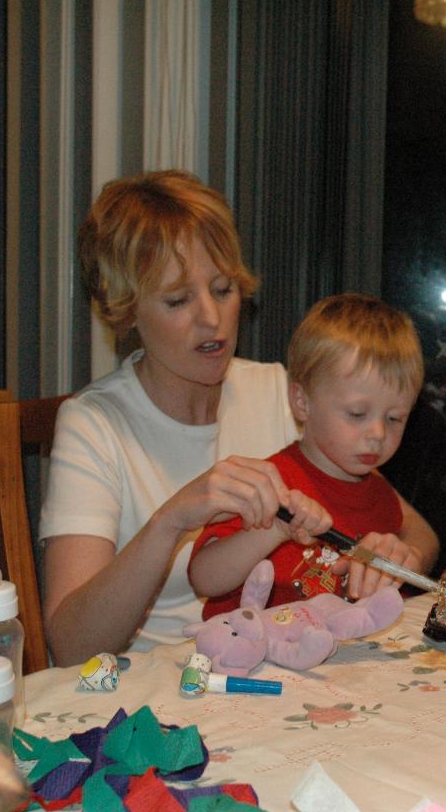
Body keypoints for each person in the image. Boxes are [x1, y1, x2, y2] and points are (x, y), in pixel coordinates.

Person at [40, 170, 322, 665]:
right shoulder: (94, 424)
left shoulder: (279, 393)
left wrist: (390, 549)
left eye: (223, 288)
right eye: (177, 300)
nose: (211, 318)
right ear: (126, 312)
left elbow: (407, 529)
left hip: (274, 677)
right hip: (149, 694)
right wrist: (171, 520)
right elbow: (71, 647)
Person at [188, 294, 440, 616]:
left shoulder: (381, 496)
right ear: (302, 402)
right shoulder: (269, 483)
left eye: (394, 418)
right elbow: (204, 579)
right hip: (253, 658)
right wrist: (275, 529)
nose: (378, 433)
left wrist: (400, 557)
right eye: (357, 413)